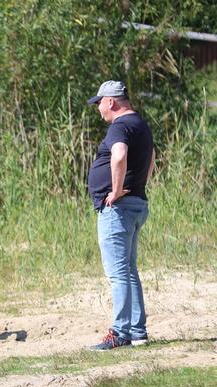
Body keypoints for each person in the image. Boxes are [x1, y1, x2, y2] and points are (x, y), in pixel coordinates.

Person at [86, 80, 156, 351]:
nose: (98, 108)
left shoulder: (119, 126)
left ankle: (120, 333)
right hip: (136, 203)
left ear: (111, 101)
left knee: (118, 274)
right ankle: (137, 332)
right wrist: (139, 185)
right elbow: (153, 156)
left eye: (99, 103)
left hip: (119, 209)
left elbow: (119, 155)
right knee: (128, 270)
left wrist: (115, 191)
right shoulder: (140, 124)